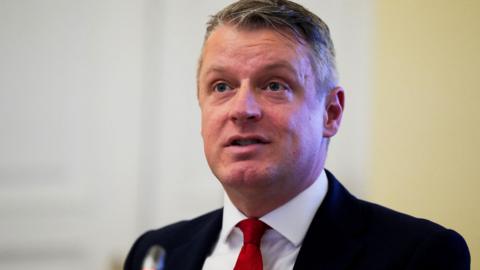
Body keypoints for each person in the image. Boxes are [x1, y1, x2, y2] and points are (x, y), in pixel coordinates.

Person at [124, 0, 470, 269]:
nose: (241, 109)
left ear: (330, 113)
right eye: (221, 86)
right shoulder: (157, 252)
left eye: (275, 85)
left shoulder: (420, 256)